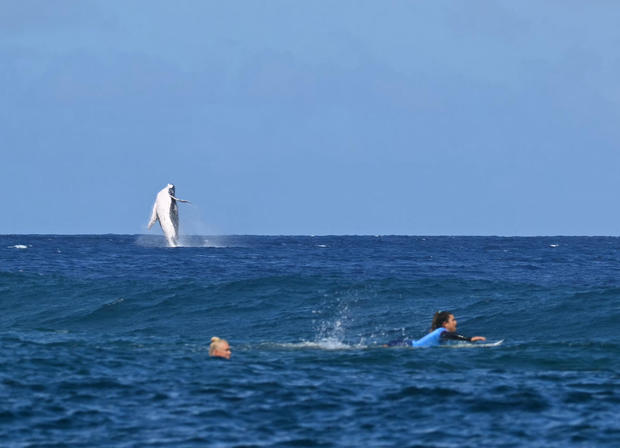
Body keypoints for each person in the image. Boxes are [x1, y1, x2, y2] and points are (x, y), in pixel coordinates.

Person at [387, 311, 486, 347]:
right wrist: (469, 339)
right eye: (453, 320)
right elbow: (448, 335)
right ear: (445, 324)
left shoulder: (438, 332)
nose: (456, 322)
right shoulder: (442, 332)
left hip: (407, 343)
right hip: (404, 345)